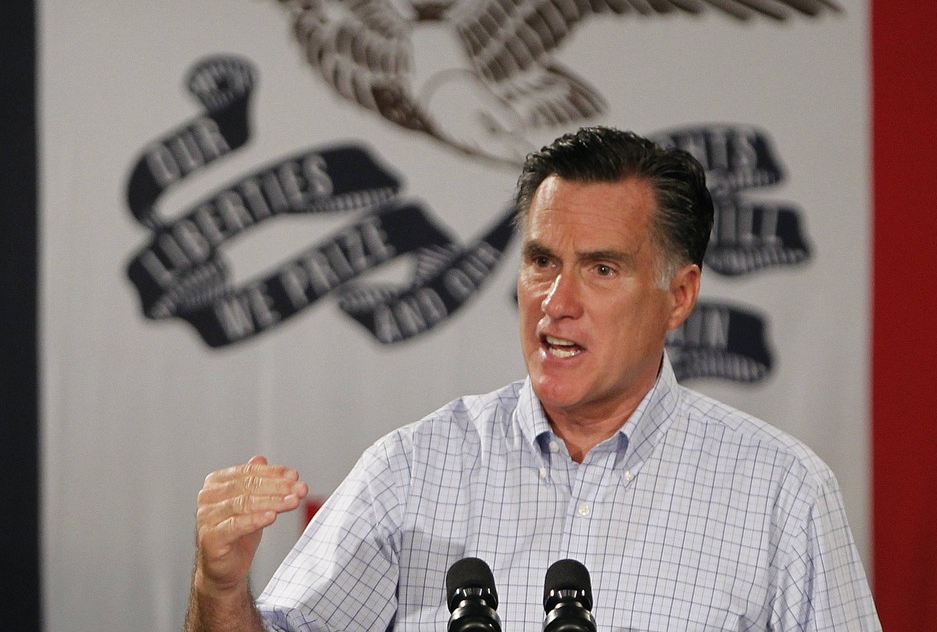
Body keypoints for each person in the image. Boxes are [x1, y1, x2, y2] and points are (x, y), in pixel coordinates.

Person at [185, 126, 881, 631]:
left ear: (679, 295)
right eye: (542, 261)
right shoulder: (412, 471)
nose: (557, 301)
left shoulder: (781, 493)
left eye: (601, 269)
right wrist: (219, 589)